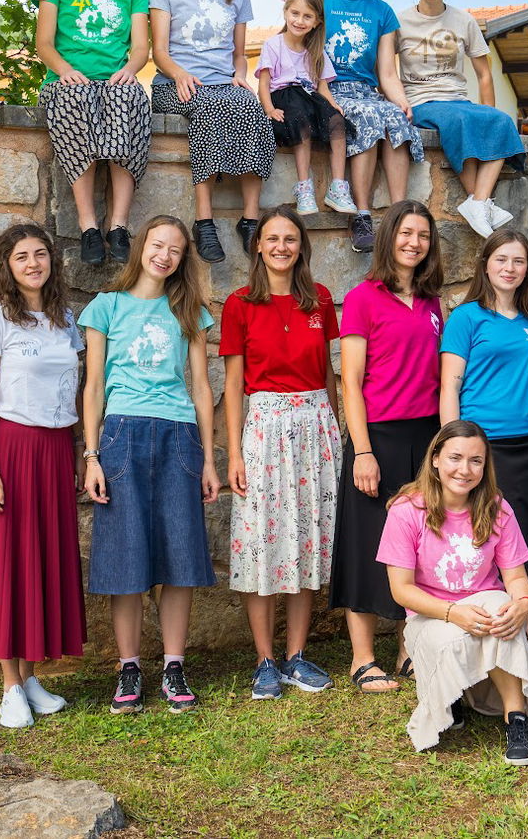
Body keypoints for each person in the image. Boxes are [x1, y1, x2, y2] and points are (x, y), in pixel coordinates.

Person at [79, 216, 220, 713]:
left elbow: (203, 388)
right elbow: (93, 387)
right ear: (140, 247)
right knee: (125, 556)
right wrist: (92, 454)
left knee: (180, 554)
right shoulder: (106, 307)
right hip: (121, 435)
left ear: (183, 259)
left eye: (176, 250)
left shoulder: (189, 310)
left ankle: (174, 664)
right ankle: (130, 667)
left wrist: (209, 457)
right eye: (157, 245)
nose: (164, 255)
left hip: (178, 435)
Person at [220, 206, 343, 699]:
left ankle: (296, 654)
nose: (281, 247)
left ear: (301, 246)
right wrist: (234, 453)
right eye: (272, 238)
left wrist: (335, 431)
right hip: (264, 430)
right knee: (260, 544)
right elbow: (232, 385)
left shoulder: (321, 301)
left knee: (306, 541)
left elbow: (329, 374)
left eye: (290, 239)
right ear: (258, 245)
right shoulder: (239, 304)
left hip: (315, 427)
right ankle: (264, 660)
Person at [0, 223, 86, 728]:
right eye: (22, 256)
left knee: (45, 558)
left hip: (57, 450)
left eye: (40, 254)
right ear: (7, 267)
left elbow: (77, 395)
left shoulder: (67, 321)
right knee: (12, 560)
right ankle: (9, 686)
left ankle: (32, 677)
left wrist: (82, 451)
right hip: (13, 449)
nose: (33, 263)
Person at [378, 420, 528, 765]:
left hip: (485, 605)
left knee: (503, 614)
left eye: (476, 461)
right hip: (430, 613)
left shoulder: (496, 507)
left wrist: (523, 603)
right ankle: (451, 695)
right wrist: (452, 612)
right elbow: (401, 590)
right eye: (455, 457)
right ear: (436, 458)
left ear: (485, 467)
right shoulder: (406, 510)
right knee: (452, 636)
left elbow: (516, 576)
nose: (465, 469)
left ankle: (516, 720)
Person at [439, 230, 528, 690]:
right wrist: (451, 448)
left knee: (523, 551)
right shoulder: (467, 318)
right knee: (478, 549)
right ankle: (473, 649)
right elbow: (450, 385)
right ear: (485, 264)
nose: (510, 268)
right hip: (482, 449)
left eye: (520, 261)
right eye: (502, 259)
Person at [331, 200, 445, 693]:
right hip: (376, 435)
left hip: (426, 438)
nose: (413, 242)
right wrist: (362, 450)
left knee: (419, 546)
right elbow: (350, 382)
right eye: (405, 233)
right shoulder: (362, 298)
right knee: (367, 544)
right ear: (389, 238)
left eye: (422, 235)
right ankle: (361, 658)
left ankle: (408, 650)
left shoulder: (435, 303)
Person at [32, 0, 151, 266]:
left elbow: (140, 47)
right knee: (75, 97)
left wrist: (130, 70)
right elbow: (44, 43)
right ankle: (88, 227)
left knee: (127, 99)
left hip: (114, 78)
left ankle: (117, 226)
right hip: (68, 80)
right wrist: (64, 69)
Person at [150, 0, 272, 264]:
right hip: (176, 83)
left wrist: (239, 74)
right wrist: (179, 73)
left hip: (222, 83)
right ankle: (205, 221)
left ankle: (249, 220)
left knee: (251, 107)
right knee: (207, 107)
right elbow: (159, 51)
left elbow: (238, 54)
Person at [397, 0, 524, 238]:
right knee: (458, 122)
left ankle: (478, 202)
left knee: (501, 121)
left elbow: (483, 73)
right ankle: (481, 202)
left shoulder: (464, 21)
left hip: (457, 100)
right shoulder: (399, 22)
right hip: (420, 101)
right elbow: (383, 68)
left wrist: (488, 115)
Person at [319, 0, 419, 252]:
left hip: (366, 89)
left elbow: (387, 72)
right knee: (368, 114)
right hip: (326, 89)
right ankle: (361, 216)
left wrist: (402, 102)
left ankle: (400, 215)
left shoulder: (382, 11)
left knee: (394, 115)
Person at [255, 0, 356, 217]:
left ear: (317, 22)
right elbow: (264, 82)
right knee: (302, 122)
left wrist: (332, 105)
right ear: (286, 12)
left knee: (337, 122)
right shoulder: (273, 44)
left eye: (307, 16)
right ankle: (304, 188)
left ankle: (338, 187)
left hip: (310, 97)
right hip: (284, 96)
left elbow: (322, 86)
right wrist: (269, 108)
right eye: (295, 13)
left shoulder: (315, 51)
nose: (300, 20)